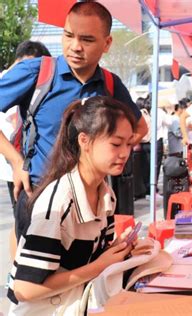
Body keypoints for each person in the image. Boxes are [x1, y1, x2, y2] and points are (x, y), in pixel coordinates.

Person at [0, 2, 148, 240]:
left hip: (89, 202)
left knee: (87, 272)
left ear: (106, 43)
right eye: (69, 35)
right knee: (35, 275)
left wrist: (107, 159)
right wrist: (16, 161)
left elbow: (139, 128)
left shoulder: (111, 84)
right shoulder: (37, 72)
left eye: (87, 40)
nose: (75, 47)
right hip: (40, 194)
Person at [7, 96, 152, 315]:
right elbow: (25, 289)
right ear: (84, 140)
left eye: (129, 144)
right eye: (115, 143)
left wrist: (120, 251)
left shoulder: (107, 196)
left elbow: (92, 258)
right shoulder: (58, 202)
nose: (125, 153)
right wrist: (100, 265)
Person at [0, 41, 51, 207]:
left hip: (29, 166)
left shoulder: (42, 83)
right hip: (15, 164)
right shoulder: (10, 81)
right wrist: (16, 161)